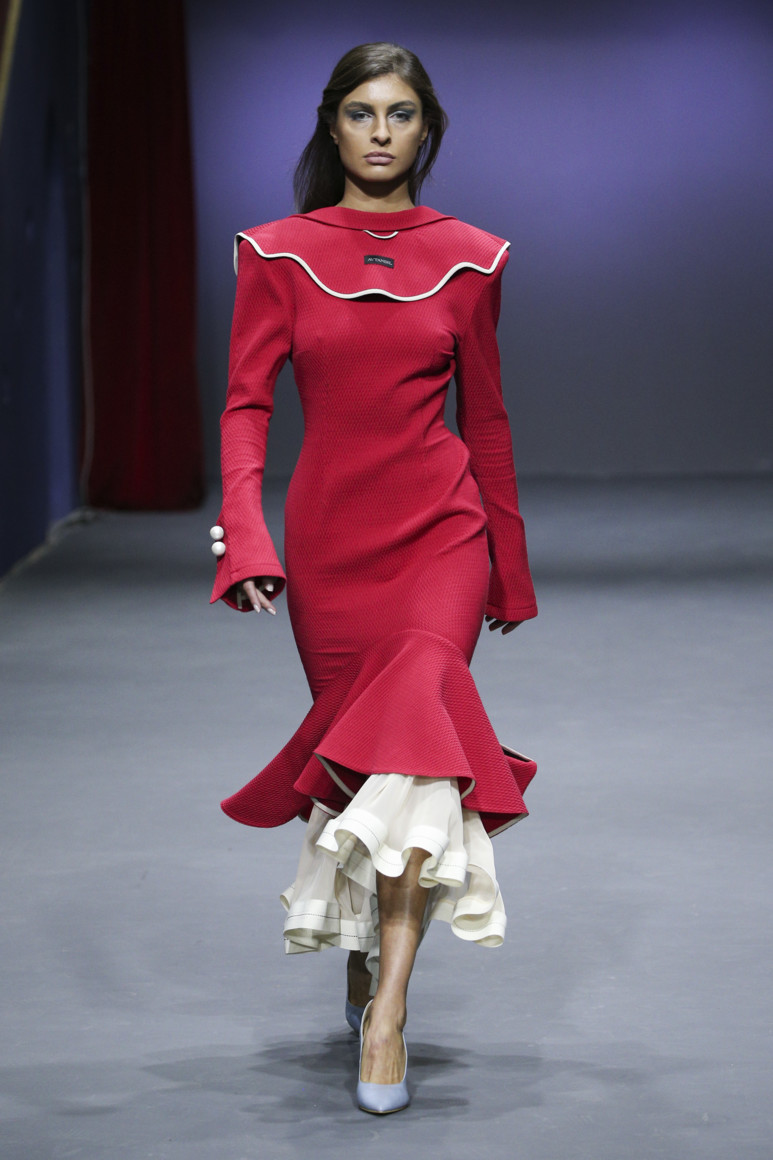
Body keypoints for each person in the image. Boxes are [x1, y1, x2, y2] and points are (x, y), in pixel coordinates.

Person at [209, 42, 538, 1114]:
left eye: (400, 113)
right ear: (333, 126)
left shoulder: (471, 258)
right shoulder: (275, 253)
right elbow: (246, 405)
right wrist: (245, 537)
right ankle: (364, 955)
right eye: (361, 112)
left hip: (439, 536)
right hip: (331, 543)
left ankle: (388, 1008)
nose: (381, 132)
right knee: (363, 769)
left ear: (425, 130)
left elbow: (485, 419)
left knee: (417, 756)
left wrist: (508, 563)